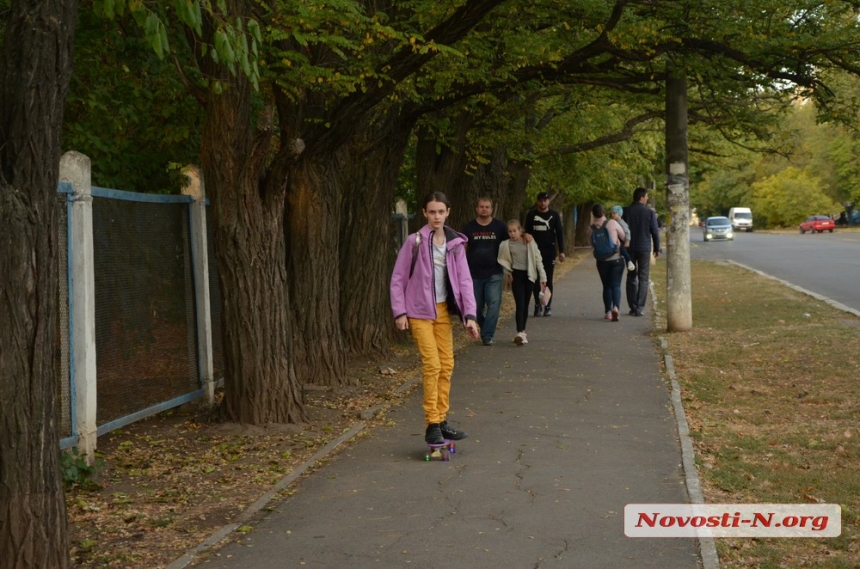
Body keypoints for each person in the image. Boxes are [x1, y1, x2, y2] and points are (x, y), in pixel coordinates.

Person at [390, 192, 479, 445]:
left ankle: (441, 421)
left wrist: (470, 315)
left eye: (441, 211)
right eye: (432, 212)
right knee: (433, 365)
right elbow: (398, 278)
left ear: (448, 212)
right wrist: (400, 311)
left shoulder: (455, 244)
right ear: (425, 213)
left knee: (447, 365)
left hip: (442, 312)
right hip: (418, 312)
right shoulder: (414, 242)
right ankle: (432, 424)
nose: (437, 216)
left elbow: (464, 281)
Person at [462, 198, 509, 346]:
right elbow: (463, 248)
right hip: (474, 273)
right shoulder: (469, 227)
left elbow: (512, 243)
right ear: (477, 208)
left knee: (494, 304)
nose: (484, 209)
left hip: (494, 272)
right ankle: (484, 329)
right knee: (475, 307)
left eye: (487, 207)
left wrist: (526, 236)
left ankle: (487, 335)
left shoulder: (500, 227)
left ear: (492, 208)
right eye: (481, 207)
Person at [497, 219, 547, 345]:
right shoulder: (506, 244)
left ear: (520, 230)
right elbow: (503, 260)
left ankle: (523, 331)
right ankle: (519, 331)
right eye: (510, 231)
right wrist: (508, 271)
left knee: (525, 304)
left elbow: (538, 259)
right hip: (516, 275)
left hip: (529, 275)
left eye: (515, 231)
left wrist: (543, 278)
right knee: (520, 304)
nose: (512, 234)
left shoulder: (529, 241)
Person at [622, 187, 661, 317]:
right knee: (643, 278)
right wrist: (657, 248)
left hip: (630, 248)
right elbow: (655, 231)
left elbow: (622, 230)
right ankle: (639, 307)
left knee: (631, 276)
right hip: (644, 248)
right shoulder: (649, 212)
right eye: (647, 196)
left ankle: (632, 306)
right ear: (642, 197)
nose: (648, 198)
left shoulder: (626, 211)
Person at [524, 191, 564, 316]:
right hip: (534, 252)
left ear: (548, 201)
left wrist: (561, 251)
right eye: (540, 200)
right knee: (535, 279)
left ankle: (547, 305)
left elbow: (559, 234)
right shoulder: (531, 215)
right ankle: (537, 304)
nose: (543, 203)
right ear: (537, 201)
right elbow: (527, 232)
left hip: (549, 251)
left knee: (547, 279)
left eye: (545, 200)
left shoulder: (554, 215)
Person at [588, 204, 627, 321]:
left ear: (593, 214)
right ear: (604, 212)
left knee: (606, 286)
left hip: (602, 261)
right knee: (616, 284)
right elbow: (624, 236)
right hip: (616, 259)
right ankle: (616, 307)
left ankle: (608, 312)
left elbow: (591, 244)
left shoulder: (590, 229)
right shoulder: (612, 223)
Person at [609, 205, 636, 272]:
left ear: (619, 214)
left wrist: (627, 241)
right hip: (616, 240)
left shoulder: (621, 222)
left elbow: (627, 232)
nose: (612, 215)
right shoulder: (613, 222)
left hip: (621, 241)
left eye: (614, 213)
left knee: (622, 249)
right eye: (611, 213)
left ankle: (629, 261)